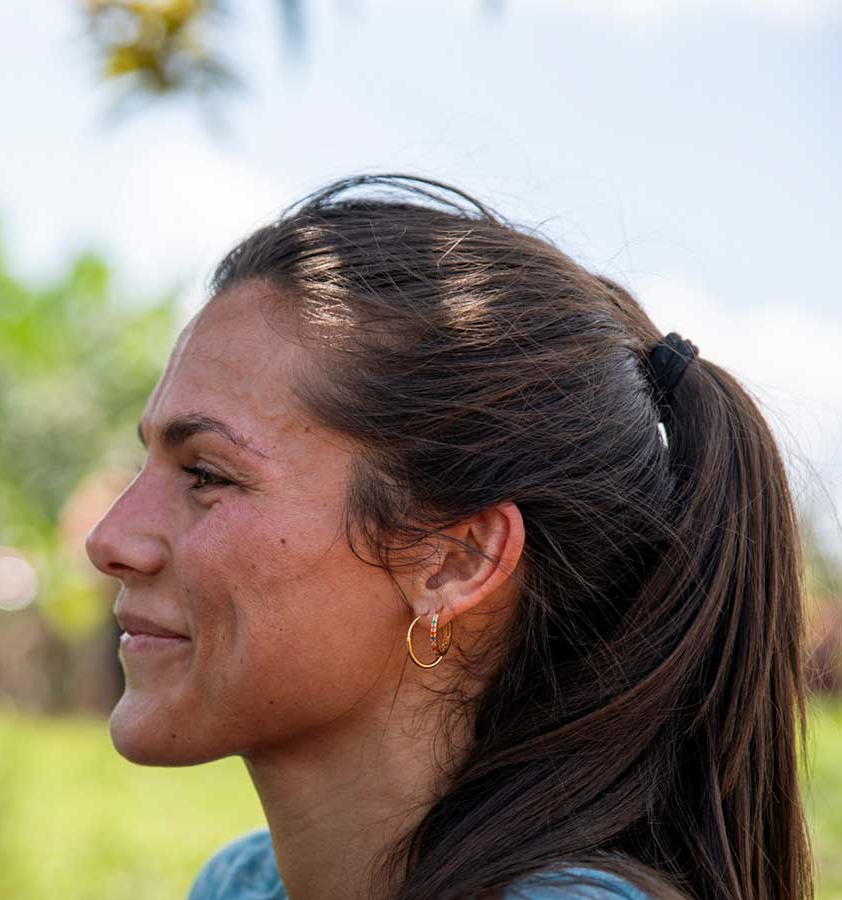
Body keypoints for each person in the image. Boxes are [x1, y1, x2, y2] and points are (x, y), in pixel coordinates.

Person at [85, 176, 811, 900]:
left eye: (207, 474)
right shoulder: (238, 887)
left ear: (454, 560)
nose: (110, 539)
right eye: (147, 460)